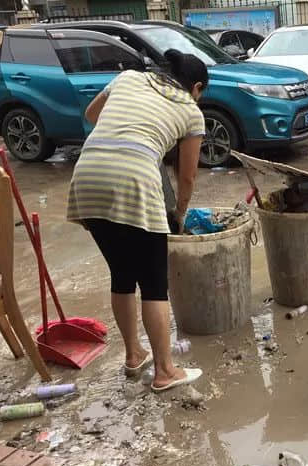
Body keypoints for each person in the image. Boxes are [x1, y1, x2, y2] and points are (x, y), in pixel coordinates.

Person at [66, 50, 207, 393]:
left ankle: (133, 356)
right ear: (197, 87)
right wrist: (180, 213)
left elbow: (91, 113)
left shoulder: (129, 77)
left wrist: (124, 134)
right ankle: (165, 372)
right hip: (133, 181)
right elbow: (186, 177)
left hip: (87, 176)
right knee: (155, 283)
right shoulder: (191, 110)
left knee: (122, 272)